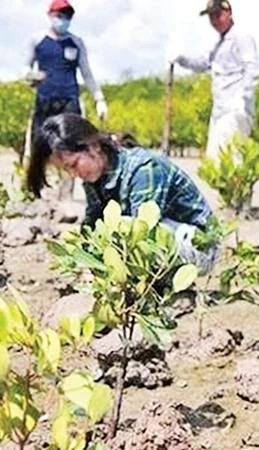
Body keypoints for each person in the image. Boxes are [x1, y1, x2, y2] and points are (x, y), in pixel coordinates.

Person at [26, 113, 219, 275]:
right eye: (66, 171)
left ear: (93, 146)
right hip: (162, 240)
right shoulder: (95, 177)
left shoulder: (143, 169)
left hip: (199, 246)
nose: (74, 175)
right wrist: (82, 260)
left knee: (135, 233)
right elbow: (92, 224)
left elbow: (143, 232)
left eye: (74, 165)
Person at [171, 0, 259, 162]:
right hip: (219, 109)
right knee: (215, 159)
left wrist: (243, 100)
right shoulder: (218, 43)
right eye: (211, 16)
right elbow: (203, 63)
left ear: (228, 13)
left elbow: (253, 69)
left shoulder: (241, 36)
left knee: (231, 158)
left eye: (217, 15)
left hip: (235, 108)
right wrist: (181, 59)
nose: (214, 20)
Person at [26, 0, 107, 131]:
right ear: (50, 15)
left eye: (68, 16)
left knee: (72, 144)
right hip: (45, 100)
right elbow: (25, 67)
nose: (64, 19)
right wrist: (31, 76)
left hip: (70, 100)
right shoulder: (38, 40)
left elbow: (87, 73)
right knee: (42, 144)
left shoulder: (76, 42)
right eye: (60, 15)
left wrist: (99, 99)